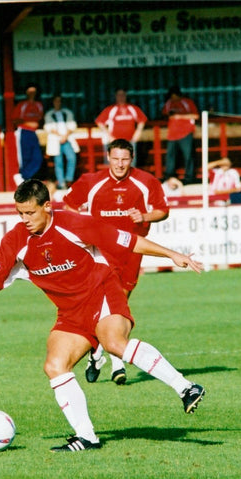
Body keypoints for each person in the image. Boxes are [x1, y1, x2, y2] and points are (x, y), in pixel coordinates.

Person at [0, 179, 205, 452]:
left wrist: (173, 255)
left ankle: (186, 388)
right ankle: (87, 437)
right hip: (70, 312)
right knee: (54, 366)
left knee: (114, 342)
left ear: (47, 206)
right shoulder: (16, 239)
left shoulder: (74, 224)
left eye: (30, 212)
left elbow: (129, 241)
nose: (25, 219)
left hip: (101, 293)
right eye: (20, 213)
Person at [63, 138, 169, 385]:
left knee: (119, 305)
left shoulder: (146, 181)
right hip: (102, 251)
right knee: (109, 302)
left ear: (131, 159)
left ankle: (97, 353)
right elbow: (68, 204)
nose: (120, 164)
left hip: (131, 250)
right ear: (108, 157)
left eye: (125, 159)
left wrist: (144, 215)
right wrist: (84, 222)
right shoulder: (92, 181)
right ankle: (117, 363)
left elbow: (163, 210)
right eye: (116, 158)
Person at [95, 88, 147, 166]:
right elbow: (99, 122)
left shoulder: (132, 108)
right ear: (115, 96)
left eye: (123, 95)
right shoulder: (111, 109)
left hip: (130, 141)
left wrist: (138, 132)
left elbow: (142, 119)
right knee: (113, 164)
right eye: (119, 95)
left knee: (130, 163)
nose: (121, 97)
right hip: (115, 142)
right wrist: (109, 136)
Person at [161, 85, 199, 185]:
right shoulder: (169, 103)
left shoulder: (187, 102)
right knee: (170, 157)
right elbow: (165, 114)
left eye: (175, 96)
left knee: (188, 156)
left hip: (185, 133)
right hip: (172, 134)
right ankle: (169, 176)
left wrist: (179, 116)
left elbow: (196, 115)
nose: (174, 98)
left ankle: (189, 177)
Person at [44, 94, 79, 190]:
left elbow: (72, 125)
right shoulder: (49, 114)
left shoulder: (67, 112)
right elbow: (48, 127)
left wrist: (65, 135)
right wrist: (60, 136)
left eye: (59, 101)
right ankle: (61, 182)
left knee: (72, 158)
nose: (57, 103)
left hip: (67, 139)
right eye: (56, 101)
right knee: (58, 162)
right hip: (56, 140)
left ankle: (68, 178)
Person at [12, 83, 44, 183]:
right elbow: (15, 120)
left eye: (33, 91)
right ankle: (23, 178)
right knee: (25, 158)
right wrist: (28, 123)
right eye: (30, 91)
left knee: (37, 158)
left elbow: (41, 120)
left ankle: (23, 177)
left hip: (34, 133)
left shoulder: (39, 105)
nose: (32, 94)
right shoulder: (22, 105)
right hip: (23, 132)